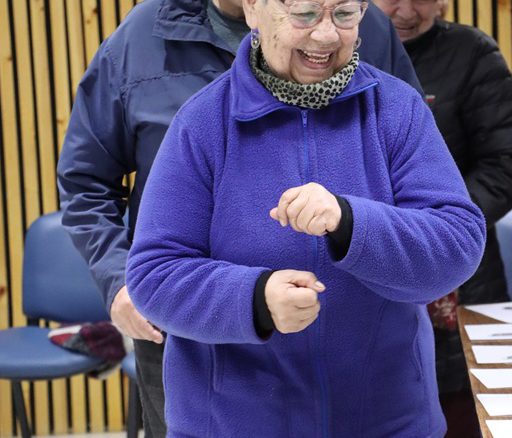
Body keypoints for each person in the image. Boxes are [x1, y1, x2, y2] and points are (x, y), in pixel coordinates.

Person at [57, 0, 423, 435]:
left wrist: (362, 225)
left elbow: (419, 171)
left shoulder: (359, 23)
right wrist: (121, 279)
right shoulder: (141, 39)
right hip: (191, 331)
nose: (325, 32)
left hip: (361, 357)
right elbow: (85, 181)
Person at [125, 0, 486, 436]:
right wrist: (254, 300)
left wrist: (351, 222)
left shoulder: (397, 109)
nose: (327, 35)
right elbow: (155, 274)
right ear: (253, 9)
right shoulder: (202, 124)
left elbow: (457, 242)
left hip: (386, 420)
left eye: (345, 14)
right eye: (305, 14)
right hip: (234, 424)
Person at [372, 0, 512, 435]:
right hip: (365, 258)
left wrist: (438, 227)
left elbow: (504, 165)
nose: (405, 11)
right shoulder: (336, 55)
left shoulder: (473, 54)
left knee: (463, 408)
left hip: (462, 273)